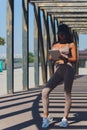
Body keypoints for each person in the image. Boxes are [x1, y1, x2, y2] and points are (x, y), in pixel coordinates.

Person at [41, 24, 77, 128]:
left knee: (67, 94)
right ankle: (45, 117)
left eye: (63, 34)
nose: (61, 36)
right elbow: (50, 58)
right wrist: (52, 56)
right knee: (45, 91)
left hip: (68, 69)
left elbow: (74, 59)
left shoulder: (71, 44)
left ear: (67, 34)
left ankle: (65, 119)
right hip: (58, 69)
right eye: (60, 34)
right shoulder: (55, 44)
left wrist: (64, 57)